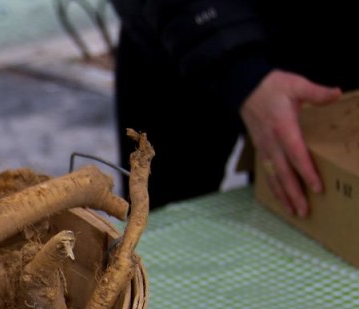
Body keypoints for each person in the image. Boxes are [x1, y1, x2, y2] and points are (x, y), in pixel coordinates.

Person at [110, 1, 359, 215]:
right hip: (181, 42)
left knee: (294, 214)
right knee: (160, 238)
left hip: (321, 62)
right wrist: (243, 73)